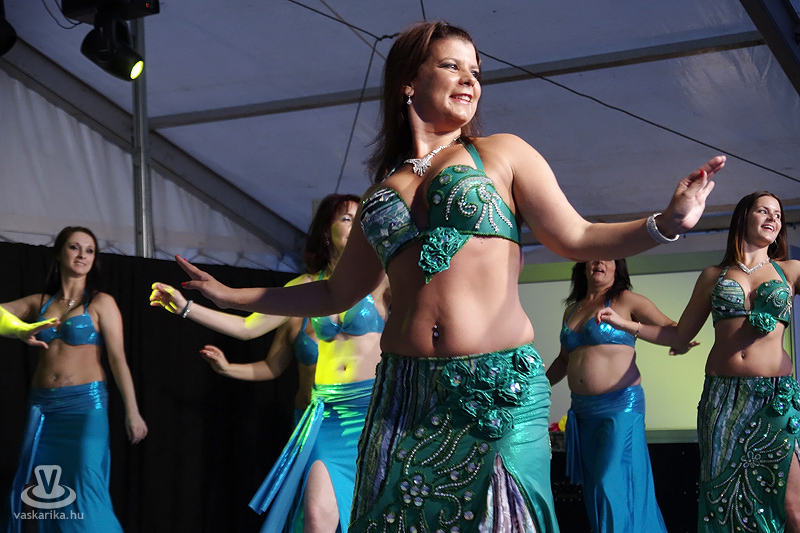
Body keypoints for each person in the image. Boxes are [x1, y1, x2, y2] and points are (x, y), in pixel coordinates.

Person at [167, 20, 725, 533]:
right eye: (452, 66)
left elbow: (576, 236)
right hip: (403, 395)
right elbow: (336, 291)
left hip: (496, 388)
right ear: (409, 82)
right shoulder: (379, 193)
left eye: (476, 71)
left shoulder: (501, 154)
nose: (470, 79)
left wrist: (665, 223)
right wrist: (229, 295)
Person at [150, 194, 390, 533]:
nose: (356, 225)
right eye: (346, 219)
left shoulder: (380, 278)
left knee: (373, 517)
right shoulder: (305, 286)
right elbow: (247, 327)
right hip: (327, 413)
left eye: (360, 218)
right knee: (316, 515)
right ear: (327, 231)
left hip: (371, 411)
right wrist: (186, 308)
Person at [600, 191, 799, 531]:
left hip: (774, 400)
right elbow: (679, 336)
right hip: (722, 400)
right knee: (724, 498)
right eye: (763, 211)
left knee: (793, 503)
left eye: (778, 215)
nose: (773, 218)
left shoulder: (791, 271)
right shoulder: (713, 276)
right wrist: (626, 324)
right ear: (744, 218)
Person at [1, 226, 147, 533]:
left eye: (89, 250)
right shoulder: (40, 302)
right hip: (42, 409)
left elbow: (117, 359)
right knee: (41, 493)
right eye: (74, 247)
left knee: (85, 488)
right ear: (59, 253)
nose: (82, 255)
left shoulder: (101, 303)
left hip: (84, 408)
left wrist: (132, 412)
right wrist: (19, 329)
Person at [547, 259, 697, 532]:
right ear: (583, 265)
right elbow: (564, 359)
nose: (599, 261)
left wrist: (628, 326)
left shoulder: (627, 300)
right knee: (594, 490)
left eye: (608, 256)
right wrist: (538, 387)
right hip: (583, 412)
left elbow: (676, 333)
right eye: (593, 255)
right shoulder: (572, 309)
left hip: (620, 408)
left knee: (608, 483)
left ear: (618, 267)